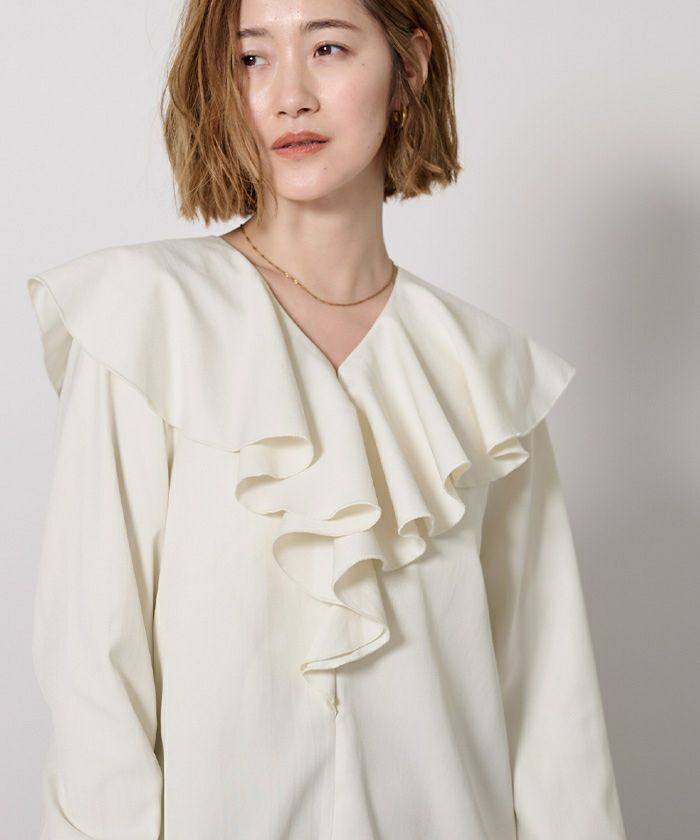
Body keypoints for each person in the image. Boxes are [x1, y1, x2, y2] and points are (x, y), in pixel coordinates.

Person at [26, 1, 628, 838]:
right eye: (252, 58)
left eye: (330, 48)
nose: (290, 96)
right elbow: (97, 681)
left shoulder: (485, 378)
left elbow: (554, 725)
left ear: (410, 67)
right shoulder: (146, 324)